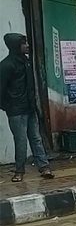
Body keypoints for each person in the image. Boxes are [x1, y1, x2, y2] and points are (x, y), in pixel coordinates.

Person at [0, 33, 54, 182]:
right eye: (24, 44)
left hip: (30, 108)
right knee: (21, 141)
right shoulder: (6, 65)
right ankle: (19, 171)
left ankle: (44, 167)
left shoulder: (26, 61)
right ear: (15, 46)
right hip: (16, 111)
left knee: (36, 138)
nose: (27, 46)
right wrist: (8, 107)